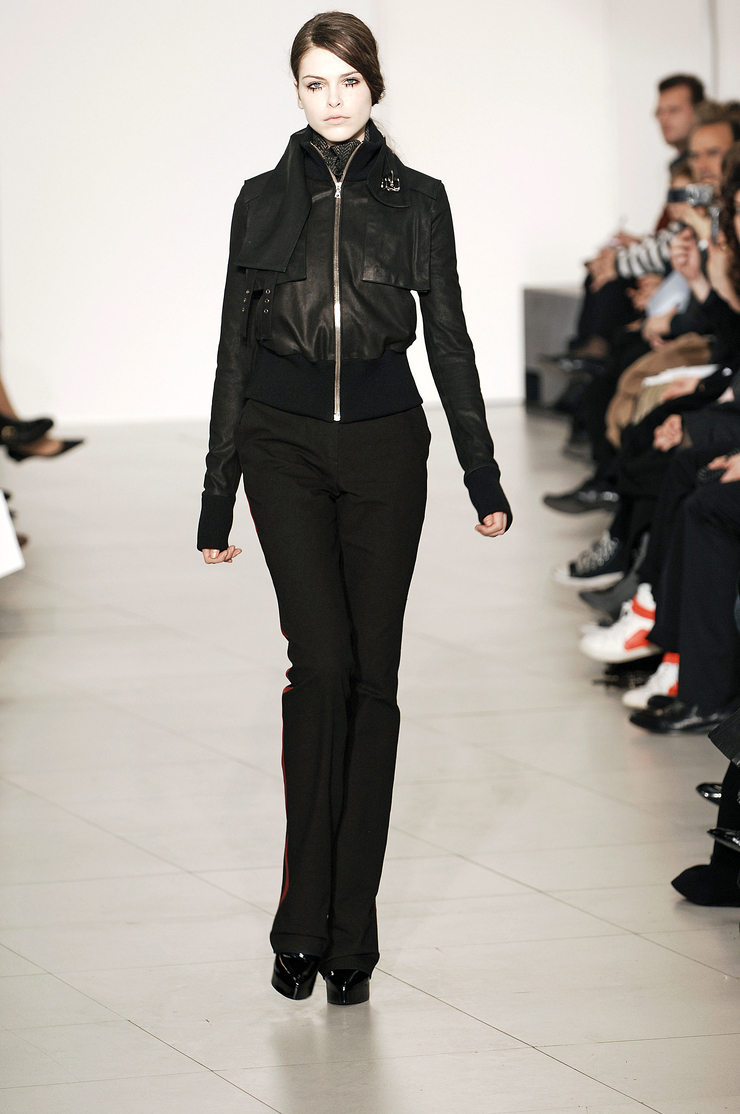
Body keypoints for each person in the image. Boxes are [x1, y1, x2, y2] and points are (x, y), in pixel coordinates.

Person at [196, 12, 511, 1007]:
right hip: (281, 446)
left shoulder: (419, 201)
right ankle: (300, 922)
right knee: (321, 667)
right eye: (312, 83)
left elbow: (449, 336)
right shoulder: (259, 200)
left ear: (373, 86)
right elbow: (233, 349)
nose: (330, 100)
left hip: (385, 448)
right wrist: (216, 496)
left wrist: (482, 473)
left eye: (345, 81)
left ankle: (351, 936)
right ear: (295, 92)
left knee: (373, 682)